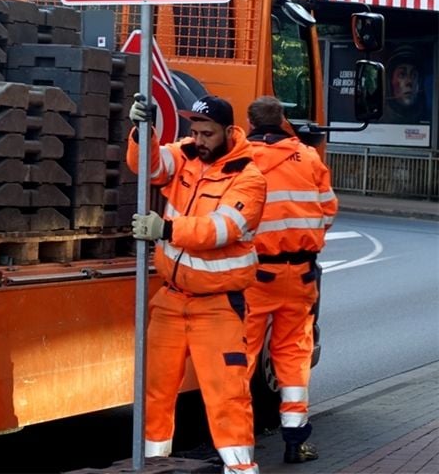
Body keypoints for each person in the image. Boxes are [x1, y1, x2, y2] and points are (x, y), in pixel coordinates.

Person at [127, 94, 266, 474]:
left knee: (227, 397)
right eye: (195, 131)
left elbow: (221, 229)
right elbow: (148, 167)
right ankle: (155, 465)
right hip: (172, 300)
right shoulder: (187, 153)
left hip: (217, 306)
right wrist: (143, 132)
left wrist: (166, 228)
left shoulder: (248, 177)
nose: (199, 139)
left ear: (227, 132)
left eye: (207, 133)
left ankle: (240, 471)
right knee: (154, 393)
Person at [244, 95, 337, 465]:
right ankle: (295, 443)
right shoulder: (310, 158)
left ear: (250, 124)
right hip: (299, 274)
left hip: (254, 274)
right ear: (283, 120)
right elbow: (328, 211)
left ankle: (235, 444)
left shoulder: (241, 159)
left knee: (241, 357)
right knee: (293, 358)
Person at [382, 44, 429, 123]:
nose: (409, 82)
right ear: (390, 82)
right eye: (402, 75)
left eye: (414, 75)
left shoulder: (428, 117)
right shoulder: (378, 120)